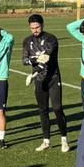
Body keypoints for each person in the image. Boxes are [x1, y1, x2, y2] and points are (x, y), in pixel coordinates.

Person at [22, 14, 69, 152]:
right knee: (42, 110)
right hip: (39, 80)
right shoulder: (27, 41)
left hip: (53, 78)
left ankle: (64, 139)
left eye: (37, 27)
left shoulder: (51, 39)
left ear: (42, 25)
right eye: (32, 28)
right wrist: (35, 62)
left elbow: (46, 57)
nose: (35, 30)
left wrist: (35, 62)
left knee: (57, 108)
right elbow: (24, 61)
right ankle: (46, 140)